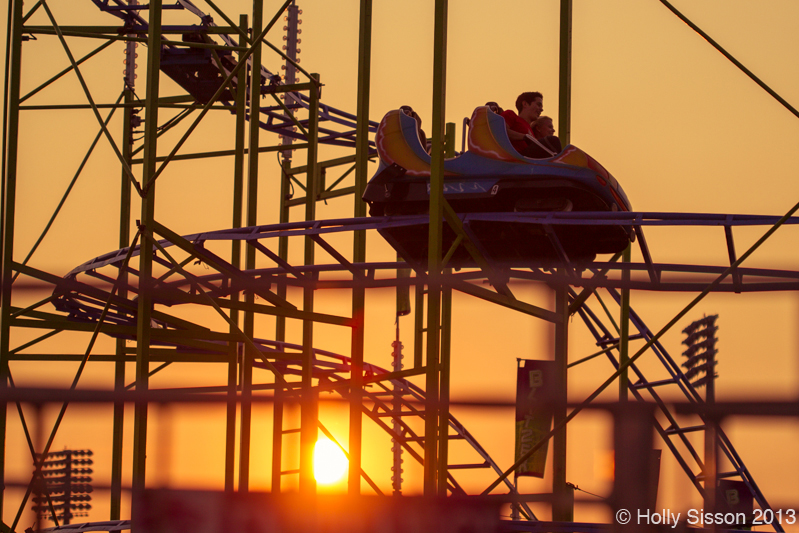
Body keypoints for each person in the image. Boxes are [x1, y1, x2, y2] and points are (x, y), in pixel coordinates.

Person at [500, 92, 560, 158]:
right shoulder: (511, 115)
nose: (541, 109)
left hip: (529, 160)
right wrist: (525, 137)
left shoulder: (531, 130)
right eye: (538, 105)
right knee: (553, 140)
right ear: (525, 104)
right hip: (518, 157)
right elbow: (500, 131)